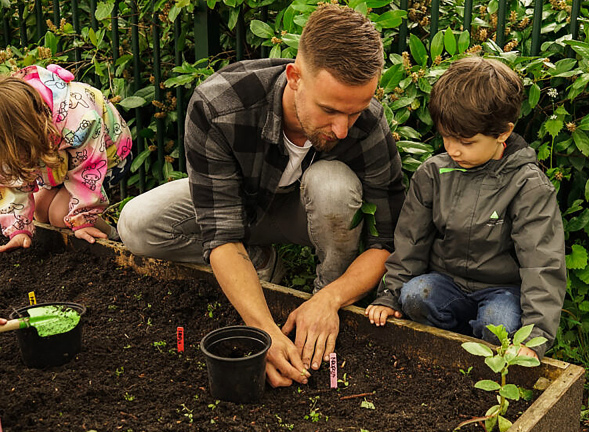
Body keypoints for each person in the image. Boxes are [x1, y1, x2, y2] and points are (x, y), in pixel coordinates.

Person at [117, 4, 405, 387]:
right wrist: (263, 330)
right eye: (330, 110)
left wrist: (331, 300)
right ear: (295, 77)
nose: (341, 129)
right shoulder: (220, 105)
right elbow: (221, 234)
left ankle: (316, 308)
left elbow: (386, 241)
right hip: (239, 203)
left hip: (305, 213)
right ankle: (260, 267)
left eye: (354, 113)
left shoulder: (367, 120)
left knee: (333, 185)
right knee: (136, 224)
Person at [364, 57, 566, 360]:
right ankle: (444, 352)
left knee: (497, 323)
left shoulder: (528, 186)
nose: (453, 149)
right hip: (446, 284)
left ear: (503, 133)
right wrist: (389, 296)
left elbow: (542, 264)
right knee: (416, 296)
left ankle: (482, 362)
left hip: (503, 292)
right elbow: (410, 244)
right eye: (446, 137)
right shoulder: (433, 173)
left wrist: (535, 337)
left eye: (466, 141)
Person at [0, 64, 132, 253]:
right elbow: (12, 178)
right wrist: (18, 229)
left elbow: (90, 167)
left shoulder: (79, 118)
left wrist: (83, 220)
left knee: (60, 216)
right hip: (60, 160)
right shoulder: (12, 127)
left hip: (107, 156)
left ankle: (115, 238)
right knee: (40, 211)